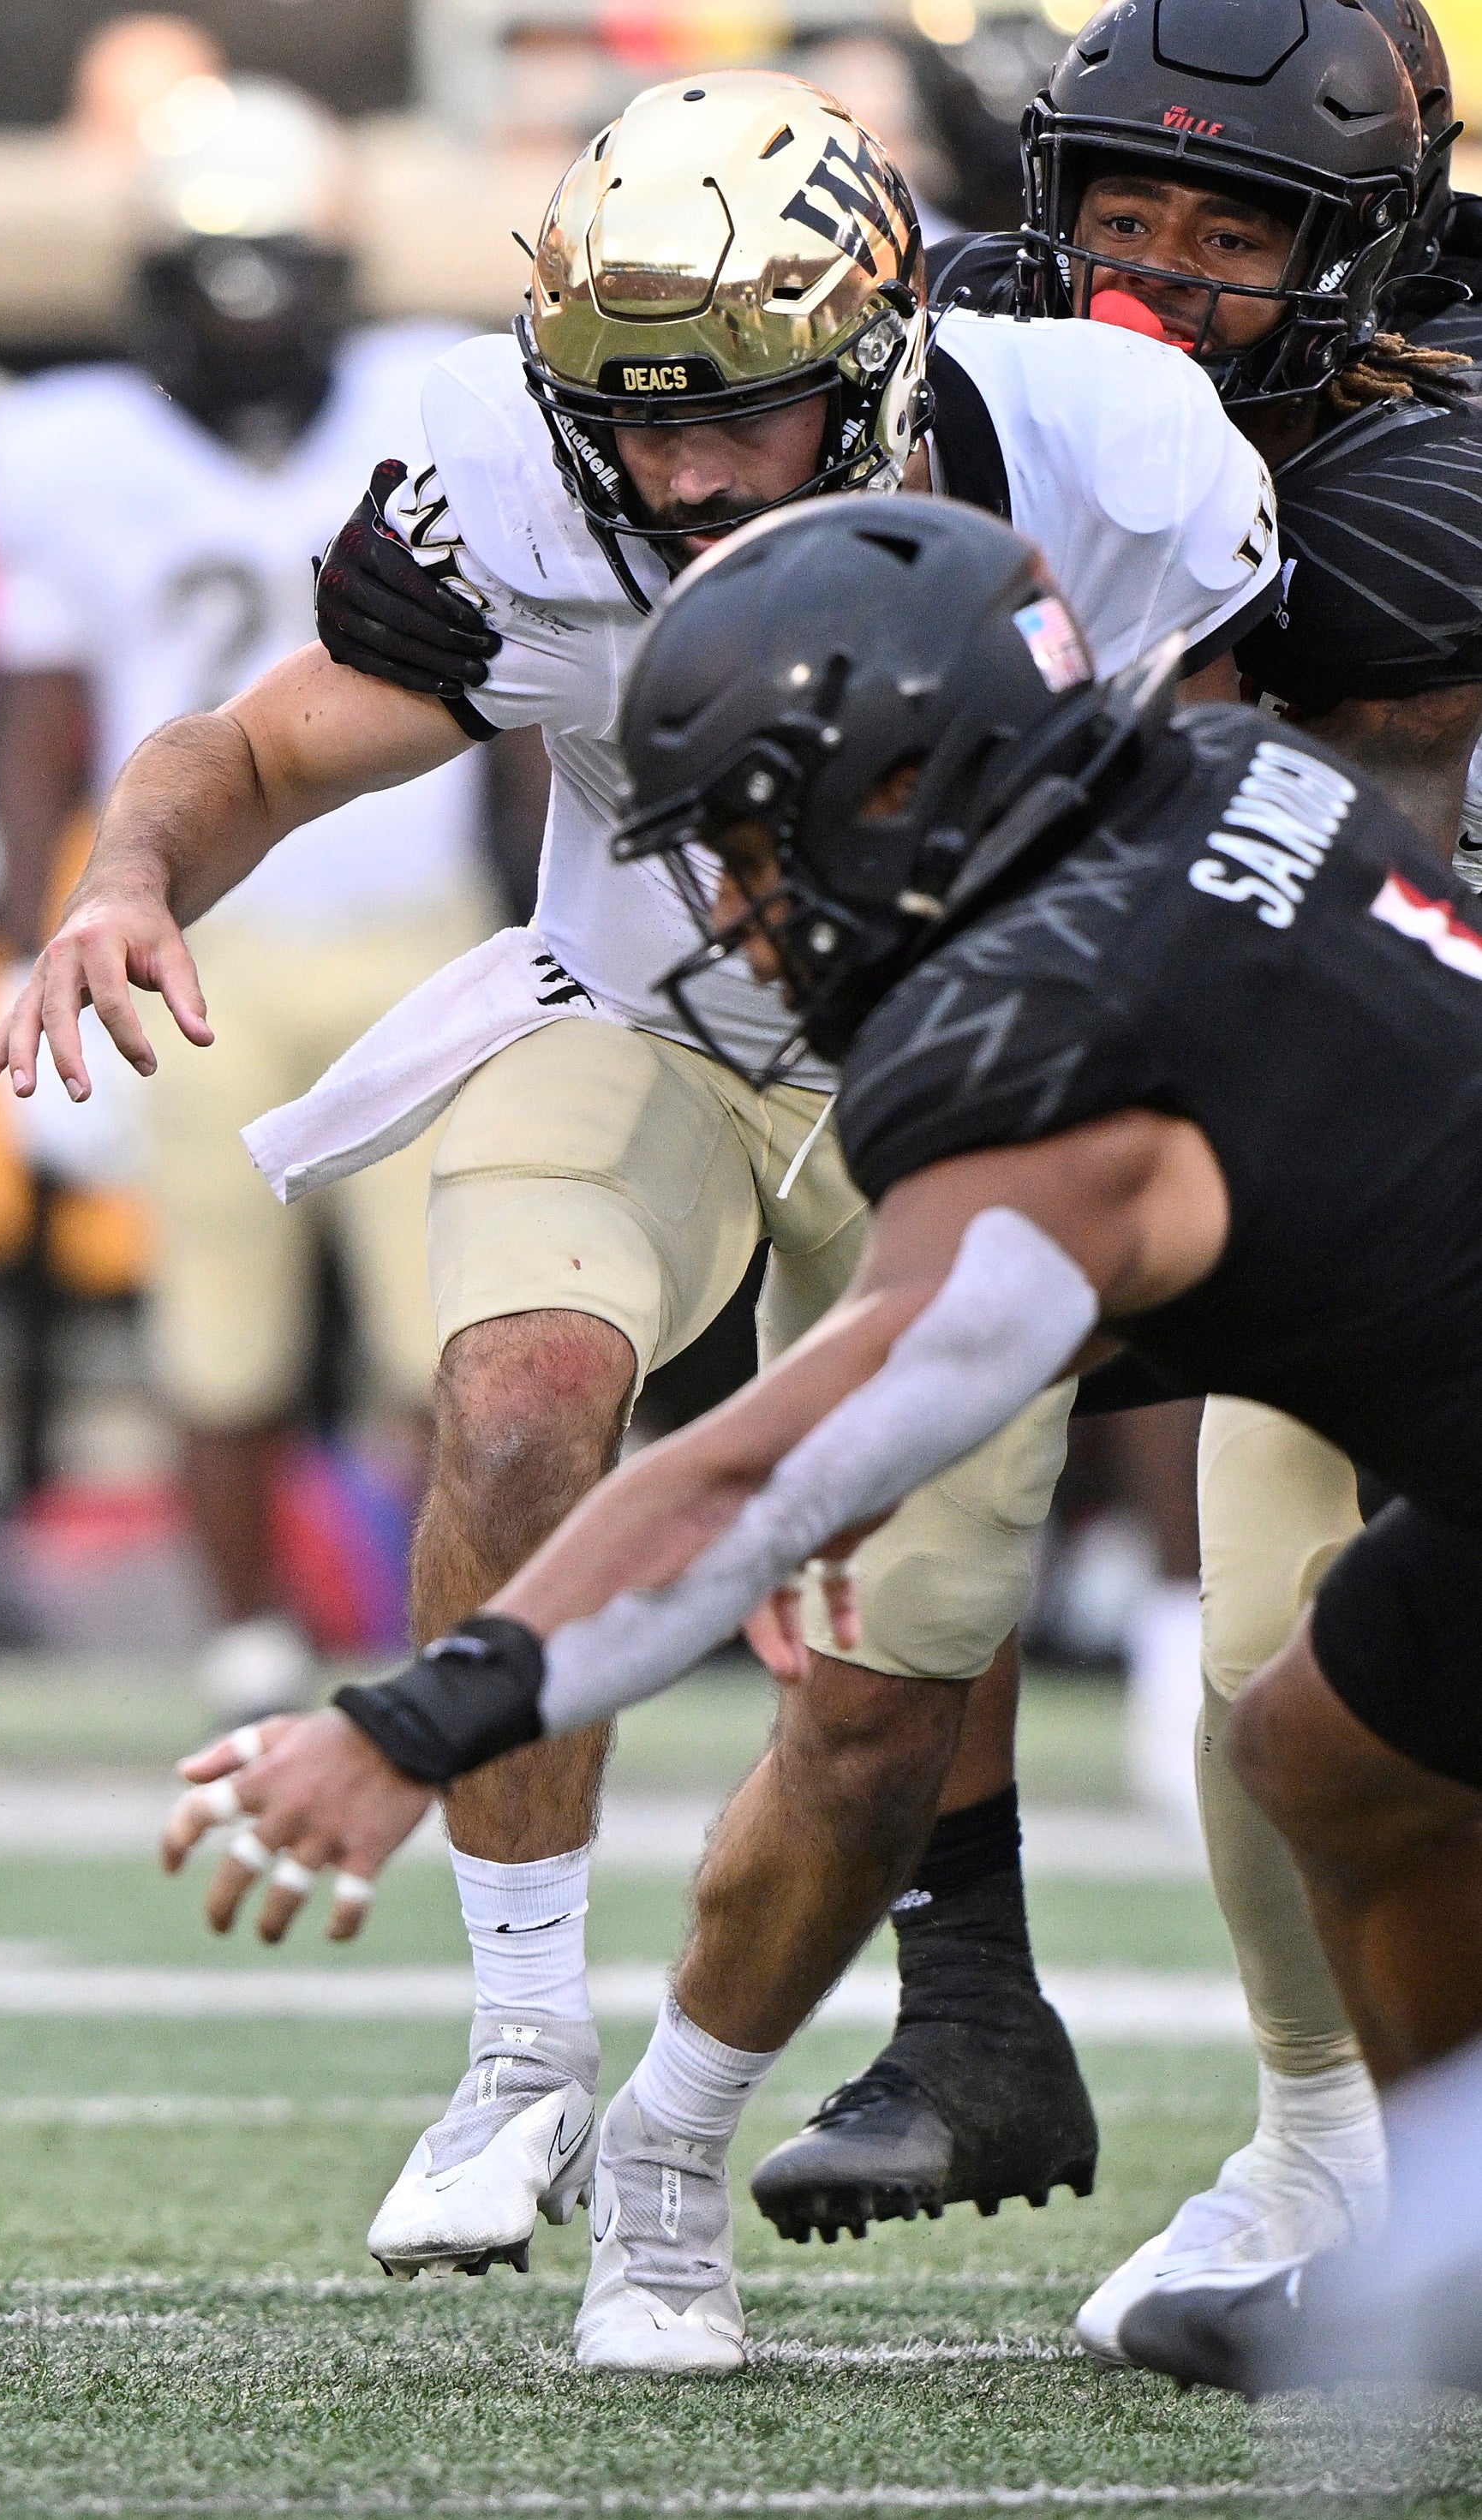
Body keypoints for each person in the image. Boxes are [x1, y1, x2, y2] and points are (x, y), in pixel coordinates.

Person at [0, 73, 1279, 2357]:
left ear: (872, 358)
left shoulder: (1109, 447)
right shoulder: (505, 476)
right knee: (513, 1397)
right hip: (651, 1014)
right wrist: (117, 877)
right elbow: (260, 747)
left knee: (882, 1713)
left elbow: (1246, 795)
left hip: (970, 1090)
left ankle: (672, 2152)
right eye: (630, 421)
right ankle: (514, 2040)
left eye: (731, 422)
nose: (673, 476)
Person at [168, 491, 1482, 2385]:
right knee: (1326, 1745)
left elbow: (750, 1470)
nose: (744, 919)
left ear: (907, 789)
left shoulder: (1035, 1048)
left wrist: (408, 1724)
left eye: (758, 846)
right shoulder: (1215, 782)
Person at [925, 0, 1482, 2364]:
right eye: (1119, 216)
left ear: (1356, 245)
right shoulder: (1019, 364)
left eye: (1224, 229)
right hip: (1370, 1142)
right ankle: (1345, 2153)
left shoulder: (1423, 476)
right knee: (1285, 1678)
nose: (1152, 273)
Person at [0, 76, 494, 1722]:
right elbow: (37, 728)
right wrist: (15, 941)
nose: (250, 308)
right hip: (202, 935)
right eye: (217, 268)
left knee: (452, 1320)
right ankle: (251, 1633)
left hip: (417, 916)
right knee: (217, 1318)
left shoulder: (437, 402)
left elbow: (520, 703)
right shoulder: (67, 450)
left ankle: (442, 1622)